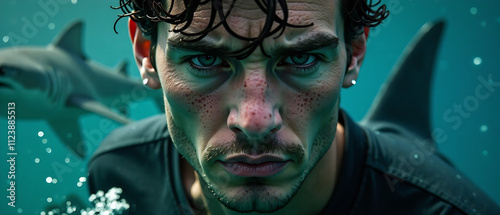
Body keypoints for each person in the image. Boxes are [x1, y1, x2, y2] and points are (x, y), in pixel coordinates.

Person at [87, 0, 500, 214]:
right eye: (206, 60)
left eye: (300, 59)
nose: (255, 121)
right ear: (145, 52)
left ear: (354, 53)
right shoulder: (118, 170)